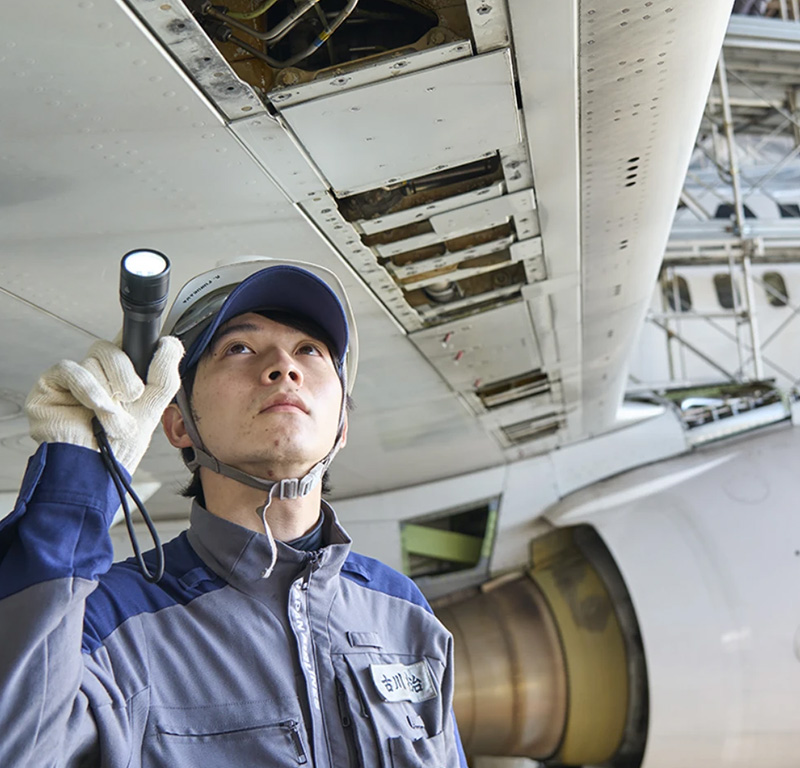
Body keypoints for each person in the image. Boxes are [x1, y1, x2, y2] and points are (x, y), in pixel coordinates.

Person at [0, 257, 467, 768]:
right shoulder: (110, 617)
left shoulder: (400, 607)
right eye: (239, 348)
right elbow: (18, 747)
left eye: (310, 350)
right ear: (177, 424)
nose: (284, 367)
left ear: (341, 427)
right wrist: (78, 477)